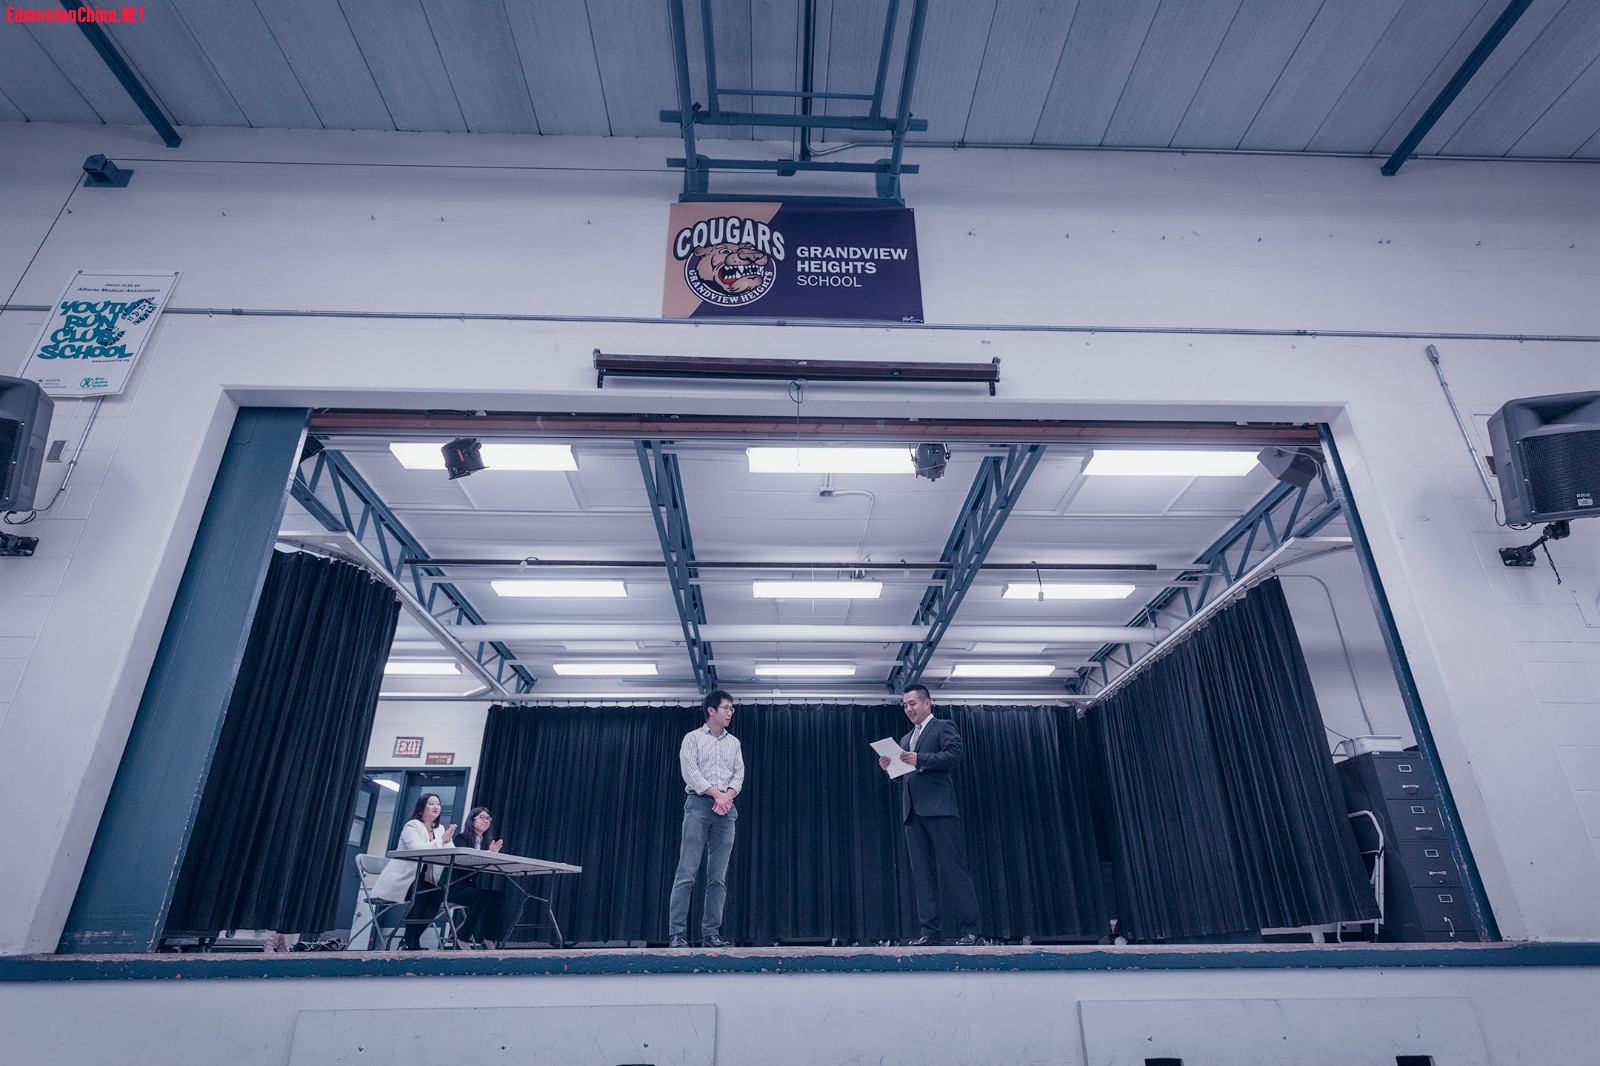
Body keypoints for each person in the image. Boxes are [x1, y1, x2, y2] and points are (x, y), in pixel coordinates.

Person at [879, 685, 984, 946]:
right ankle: (931, 933)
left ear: (927, 703)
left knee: (954, 870)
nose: (908, 709)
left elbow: (953, 756)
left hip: (939, 809)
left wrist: (920, 758)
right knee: (922, 876)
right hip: (912, 814)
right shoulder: (905, 739)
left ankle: (971, 931)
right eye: (905, 705)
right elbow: (905, 778)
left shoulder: (943, 727)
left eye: (912, 703)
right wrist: (890, 768)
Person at [667, 689, 744, 948]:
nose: (730, 712)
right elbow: (691, 772)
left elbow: (739, 774)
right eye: (726, 708)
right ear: (711, 710)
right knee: (687, 872)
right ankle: (677, 934)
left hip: (726, 809)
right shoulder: (693, 738)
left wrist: (727, 797)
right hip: (699, 805)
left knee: (718, 877)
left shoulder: (734, 743)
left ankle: (711, 934)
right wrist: (716, 795)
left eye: (732, 708)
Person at [369, 793, 456, 950]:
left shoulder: (440, 829)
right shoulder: (412, 826)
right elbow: (415, 849)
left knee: (437, 895)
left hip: (424, 880)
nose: (436, 806)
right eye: (431, 803)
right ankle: (410, 940)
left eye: (438, 803)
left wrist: (447, 840)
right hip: (403, 879)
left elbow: (450, 852)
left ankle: (412, 938)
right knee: (421, 892)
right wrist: (441, 841)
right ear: (422, 807)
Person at [452, 806, 505, 949]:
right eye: (482, 817)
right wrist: (489, 854)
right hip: (453, 887)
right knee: (484, 897)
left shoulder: (484, 843)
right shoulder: (461, 838)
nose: (486, 821)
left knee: (497, 896)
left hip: (468, 886)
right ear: (472, 820)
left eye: (488, 818)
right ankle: (462, 938)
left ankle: (488, 939)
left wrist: (492, 855)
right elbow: (463, 860)